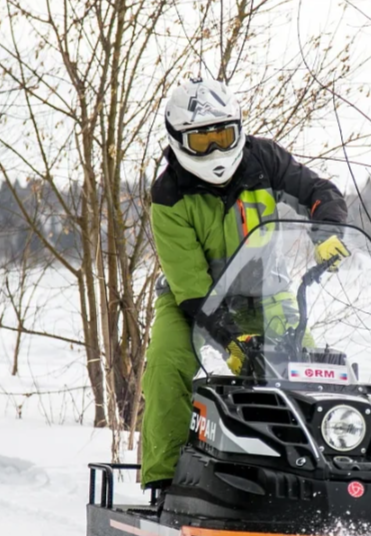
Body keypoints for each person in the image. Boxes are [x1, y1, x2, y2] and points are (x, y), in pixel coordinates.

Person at [141, 77, 349, 497]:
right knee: (166, 363)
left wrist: (325, 230)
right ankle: (165, 482)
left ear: (239, 130)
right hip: (193, 303)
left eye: (224, 136)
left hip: (266, 293)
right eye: (203, 142)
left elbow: (318, 190)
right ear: (179, 141)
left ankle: (320, 474)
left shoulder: (264, 159)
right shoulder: (168, 195)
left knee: (305, 367)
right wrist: (231, 341)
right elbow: (192, 286)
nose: (217, 151)